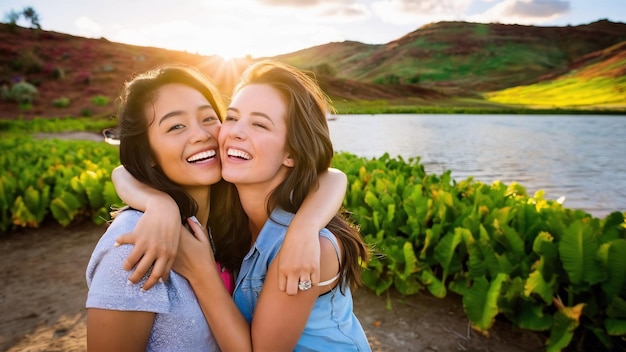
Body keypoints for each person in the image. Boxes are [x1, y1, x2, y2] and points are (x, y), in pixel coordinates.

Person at [85, 63, 347, 351]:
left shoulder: (230, 227)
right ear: (147, 153)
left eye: (209, 118)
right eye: (175, 126)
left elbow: (332, 176)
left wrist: (305, 229)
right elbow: (123, 170)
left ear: (292, 152)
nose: (202, 135)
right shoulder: (137, 244)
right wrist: (159, 205)